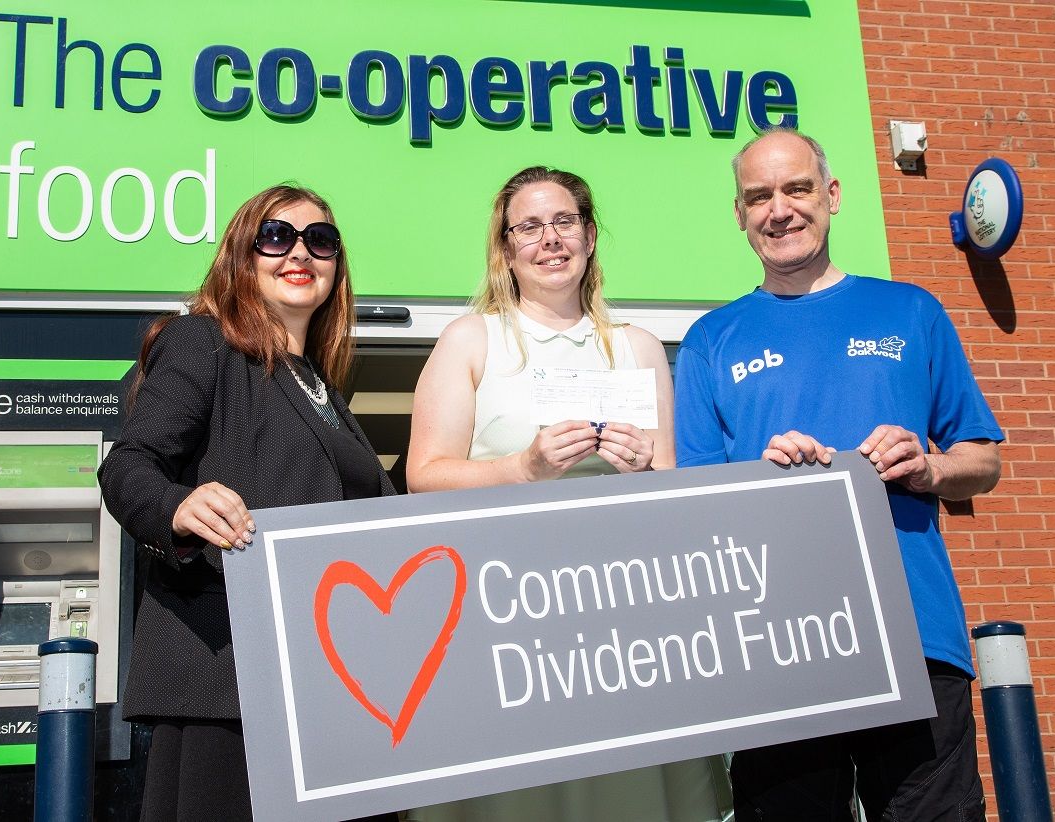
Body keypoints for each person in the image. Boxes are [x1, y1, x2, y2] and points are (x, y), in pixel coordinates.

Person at [673, 128, 1003, 821]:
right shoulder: (709, 341)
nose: (779, 210)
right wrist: (758, 479)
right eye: (758, 196)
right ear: (739, 214)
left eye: (796, 189)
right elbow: (693, 506)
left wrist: (927, 467)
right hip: (776, 645)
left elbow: (982, 461)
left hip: (913, 632)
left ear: (831, 195)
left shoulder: (910, 310)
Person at [405, 166, 726, 822]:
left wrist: (643, 470)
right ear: (505, 249)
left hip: (623, 621)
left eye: (563, 222)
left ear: (589, 235)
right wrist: (522, 467)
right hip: (507, 617)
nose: (549, 239)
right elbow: (423, 475)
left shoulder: (637, 347)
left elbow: (672, 491)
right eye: (528, 227)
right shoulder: (471, 339)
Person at [98, 184, 398, 822]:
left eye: (320, 240)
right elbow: (127, 466)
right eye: (276, 236)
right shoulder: (204, 343)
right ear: (242, 254)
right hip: (229, 678)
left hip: (326, 680)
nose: (300, 253)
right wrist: (177, 508)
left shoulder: (320, 386)